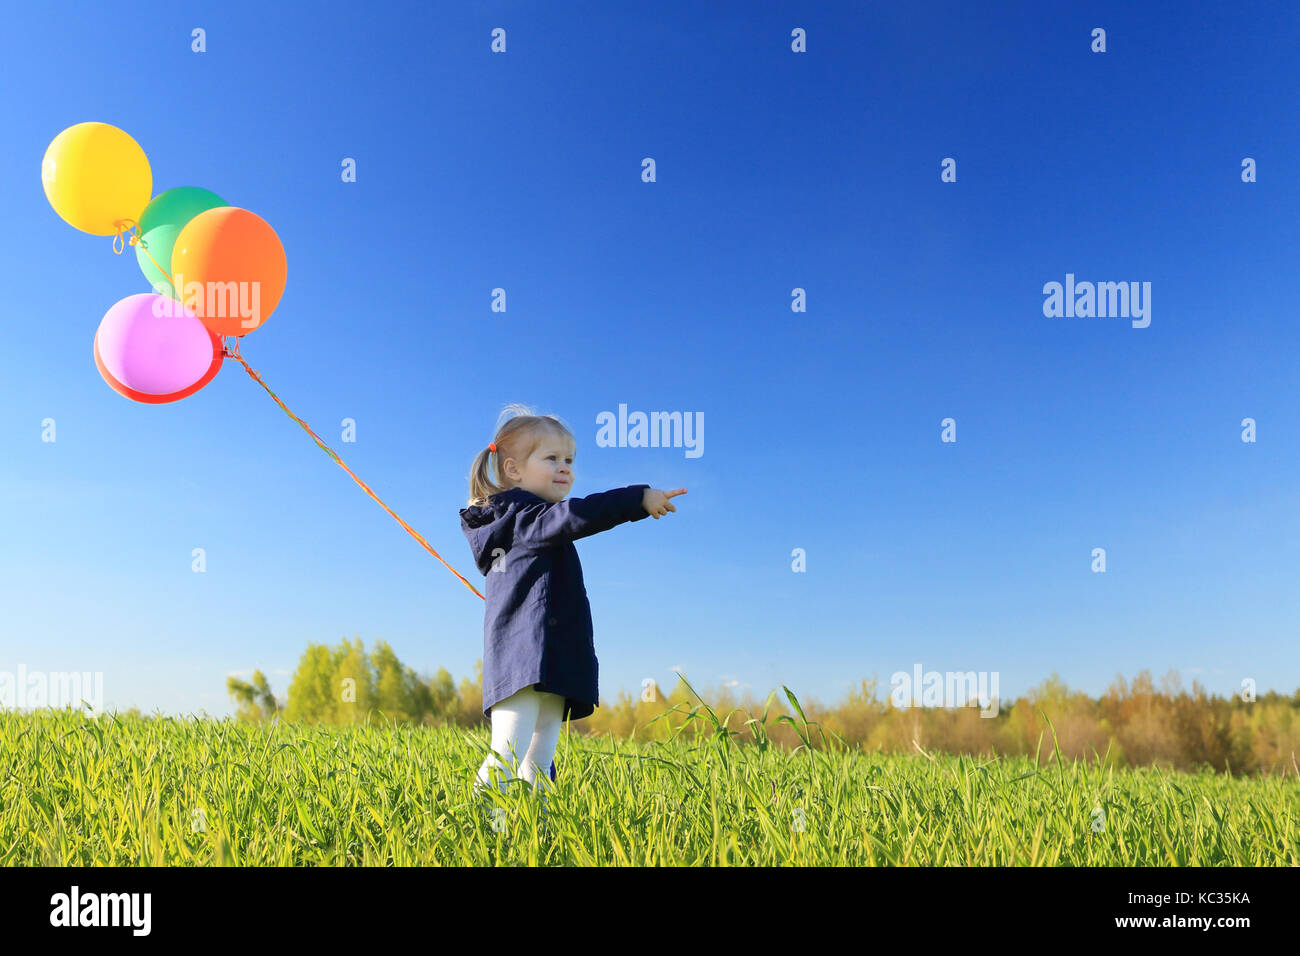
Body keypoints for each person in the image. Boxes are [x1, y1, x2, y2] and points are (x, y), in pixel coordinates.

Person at [459, 404, 686, 826]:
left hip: (550, 661)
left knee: (540, 758)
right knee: (508, 751)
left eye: (570, 460)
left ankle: (531, 832)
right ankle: (481, 828)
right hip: (523, 660)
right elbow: (579, 515)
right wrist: (638, 498)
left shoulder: (530, 523)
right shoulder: (526, 519)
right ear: (513, 469)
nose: (565, 469)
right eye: (551, 459)